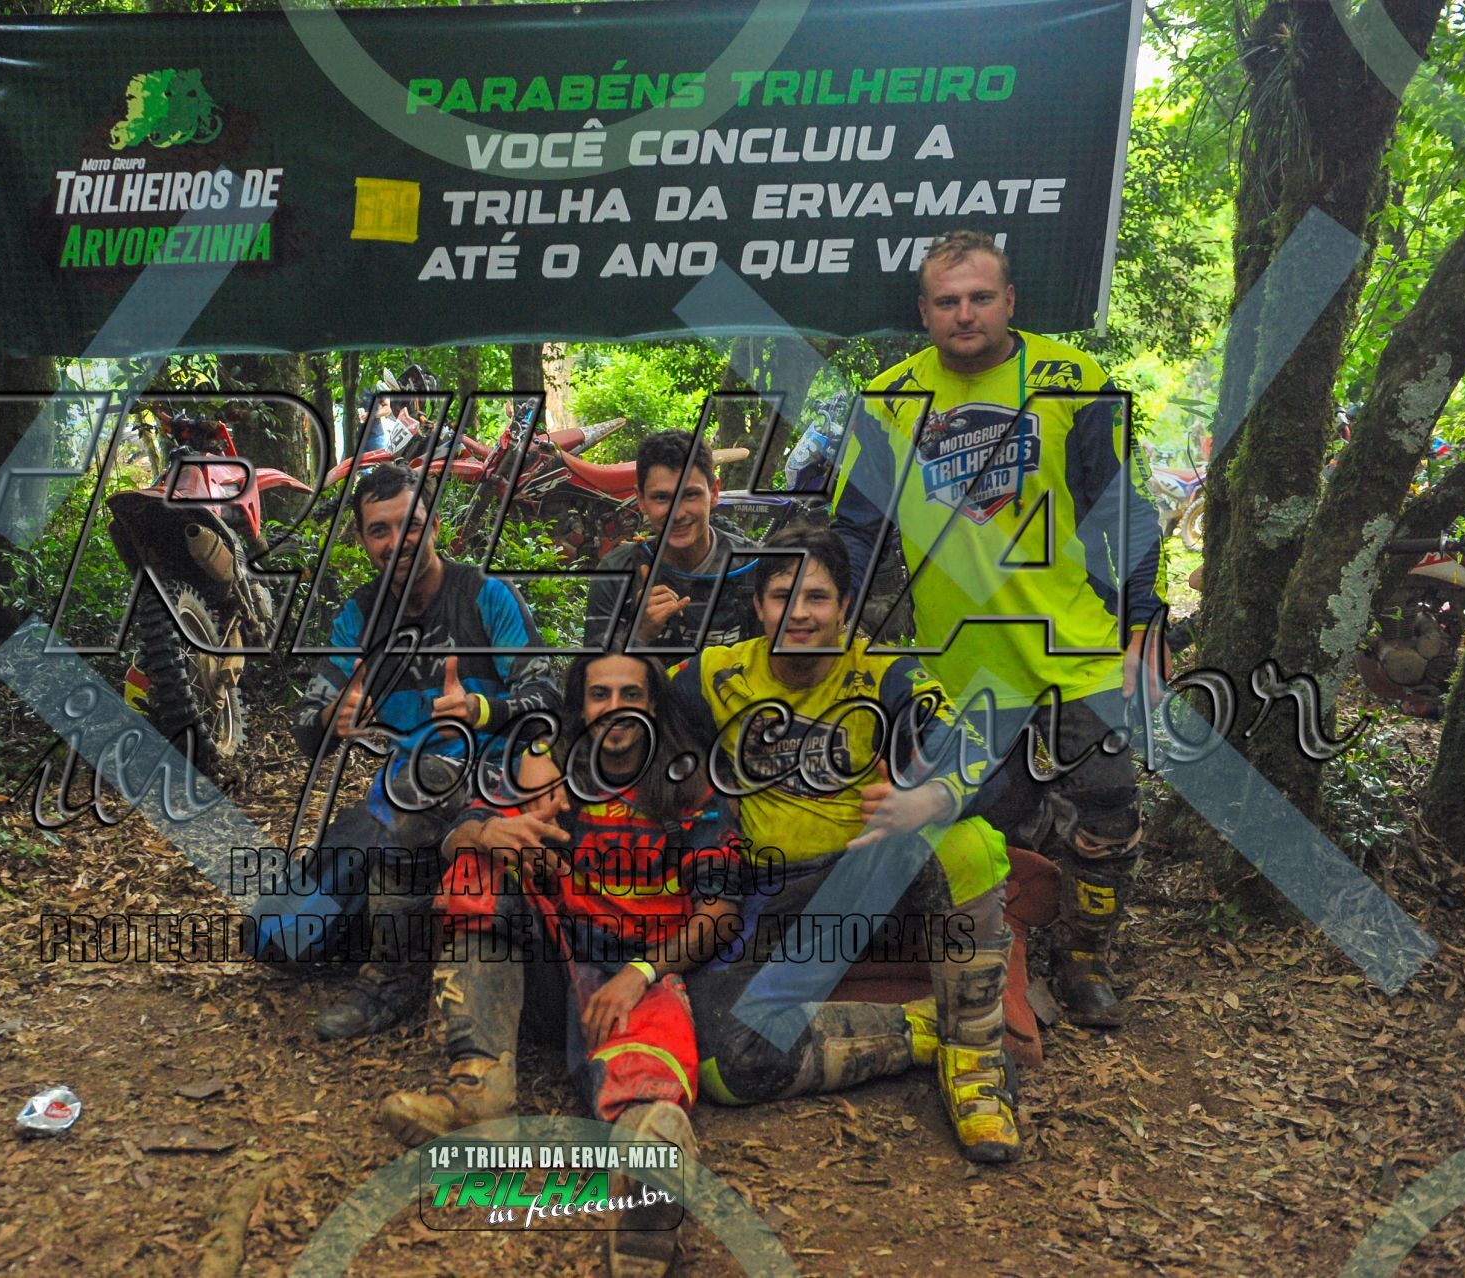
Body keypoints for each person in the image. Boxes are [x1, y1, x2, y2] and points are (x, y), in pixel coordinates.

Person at [831, 229, 1169, 1029]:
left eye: (981, 297)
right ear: (923, 313)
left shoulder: (1072, 380)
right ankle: (999, 952)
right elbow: (854, 532)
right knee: (983, 817)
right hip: (960, 663)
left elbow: (1126, 512)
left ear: (1010, 300)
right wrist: (835, 624)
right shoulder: (888, 400)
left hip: (1076, 643)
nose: (965, 314)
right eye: (947, 301)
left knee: (1109, 807)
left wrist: (1145, 624)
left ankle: (1085, 958)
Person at [670, 522, 1023, 1163]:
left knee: (966, 841)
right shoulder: (713, 676)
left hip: (870, 876)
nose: (800, 614)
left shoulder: (885, 673)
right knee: (726, 1065)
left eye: (817, 597)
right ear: (759, 606)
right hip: (777, 895)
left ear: (844, 607)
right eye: (783, 596)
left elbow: (985, 757)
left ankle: (976, 1066)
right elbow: (627, 729)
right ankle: (926, 1031)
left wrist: (927, 800)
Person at [380, 652, 741, 1276]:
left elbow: (720, 914)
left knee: (645, 1086)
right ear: (582, 707)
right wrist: (486, 833)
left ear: (654, 705)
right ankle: (479, 1090)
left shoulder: (692, 788)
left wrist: (641, 974)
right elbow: (464, 825)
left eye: (631, 694)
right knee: (479, 871)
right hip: (559, 960)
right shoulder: (555, 774)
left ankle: (650, 1174)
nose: (615, 708)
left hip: (643, 973)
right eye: (600, 695)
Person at [289, 464, 560, 1040]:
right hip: (398, 798)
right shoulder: (360, 616)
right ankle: (397, 920)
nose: (397, 541)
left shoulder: (485, 594)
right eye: (379, 530)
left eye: (409, 525)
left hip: (492, 780)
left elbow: (547, 695)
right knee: (279, 937)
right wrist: (333, 719)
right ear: (362, 540)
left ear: (434, 524)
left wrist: (482, 711)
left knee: (414, 783)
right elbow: (307, 724)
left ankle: (393, 980)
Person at [583, 430, 760, 652]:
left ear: (714, 492)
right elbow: (593, 671)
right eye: (661, 498)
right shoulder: (617, 571)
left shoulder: (753, 566)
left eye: (690, 495)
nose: (677, 514)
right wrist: (639, 634)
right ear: (641, 500)